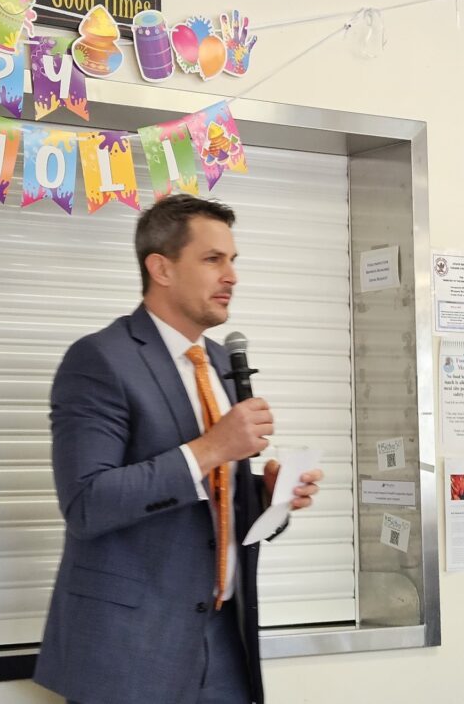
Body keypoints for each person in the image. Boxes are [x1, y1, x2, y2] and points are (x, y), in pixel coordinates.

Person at [33, 194, 323, 704]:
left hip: (223, 640)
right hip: (130, 651)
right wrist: (212, 448)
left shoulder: (218, 362)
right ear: (161, 268)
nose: (231, 276)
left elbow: (208, 502)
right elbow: (87, 503)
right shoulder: (100, 359)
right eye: (213, 260)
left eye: (233, 260)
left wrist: (266, 495)